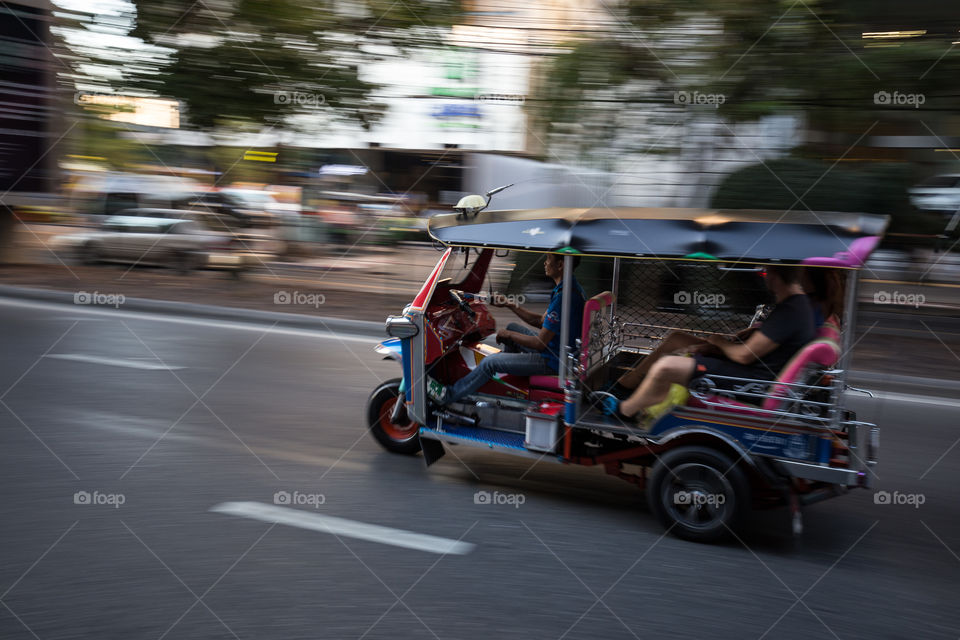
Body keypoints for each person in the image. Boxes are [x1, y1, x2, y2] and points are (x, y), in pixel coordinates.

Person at [606, 265, 815, 421]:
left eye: (767, 271)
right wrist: (732, 340)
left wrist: (719, 343)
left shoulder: (792, 310)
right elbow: (765, 342)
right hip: (750, 369)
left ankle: (625, 411)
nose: (765, 277)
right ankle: (625, 387)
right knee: (677, 339)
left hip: (752, 380)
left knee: (666, 366)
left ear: (775, 275)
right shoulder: (794, 306)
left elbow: (744, 355)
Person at [435, 253, 585, 405]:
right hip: (558, 352)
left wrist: (509, 335)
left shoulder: (563, 297)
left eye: (548, 260)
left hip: (553, 361)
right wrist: (509, 304)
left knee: (489, 363)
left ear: (560, 265)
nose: (545, 263)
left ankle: (448, 396)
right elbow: (540, 321)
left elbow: (540, 343)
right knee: (512, 327)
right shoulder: (568, 288)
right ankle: (506, 384)